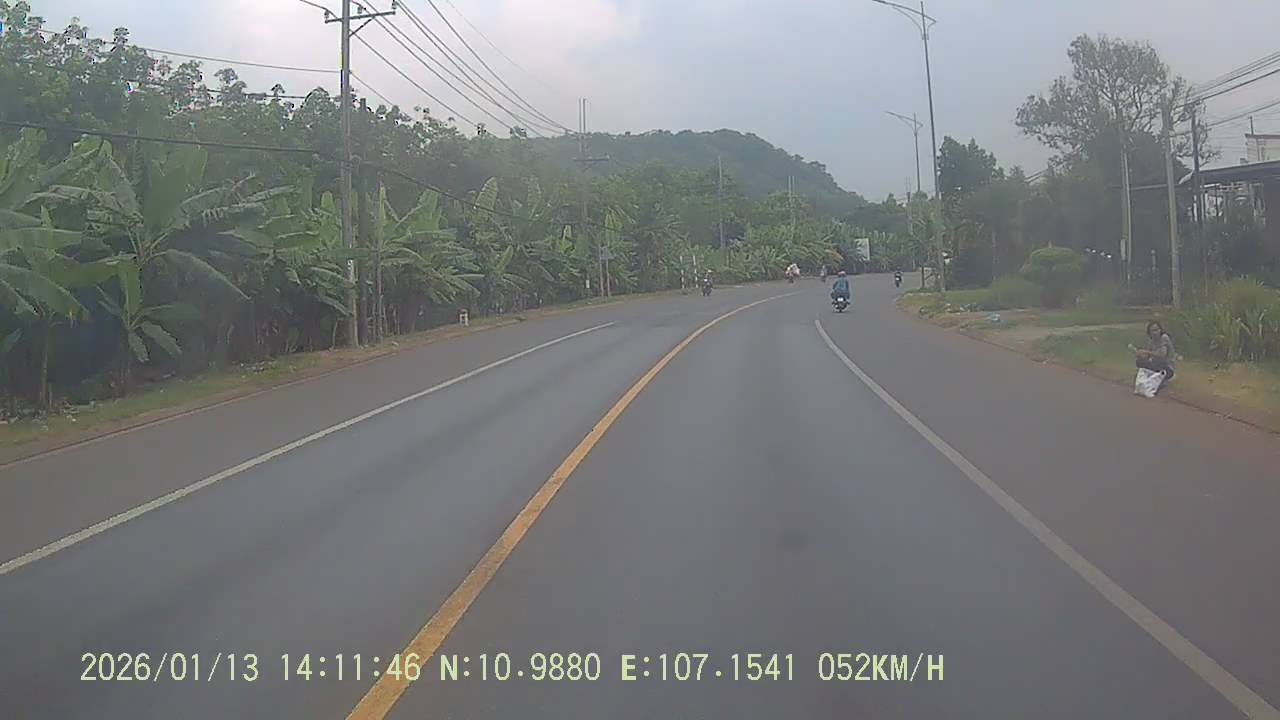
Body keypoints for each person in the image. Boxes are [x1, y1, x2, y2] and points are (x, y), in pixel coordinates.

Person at [1133, 320, 1175, 388]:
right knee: (1139, 361)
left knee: (1160, 368)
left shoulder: (1164, 338)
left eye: (1157, 330)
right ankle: (1152, 377)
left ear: (1160, 330)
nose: (1155, 332)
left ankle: (1163, 378)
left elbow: (1162, 355)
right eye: (1153, 331)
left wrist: (1147, 352)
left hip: (1167, 366)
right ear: (1149, 332)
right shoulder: (1151, 340)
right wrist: (1140, 354)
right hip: (1156, 364)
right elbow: (1148, 356)